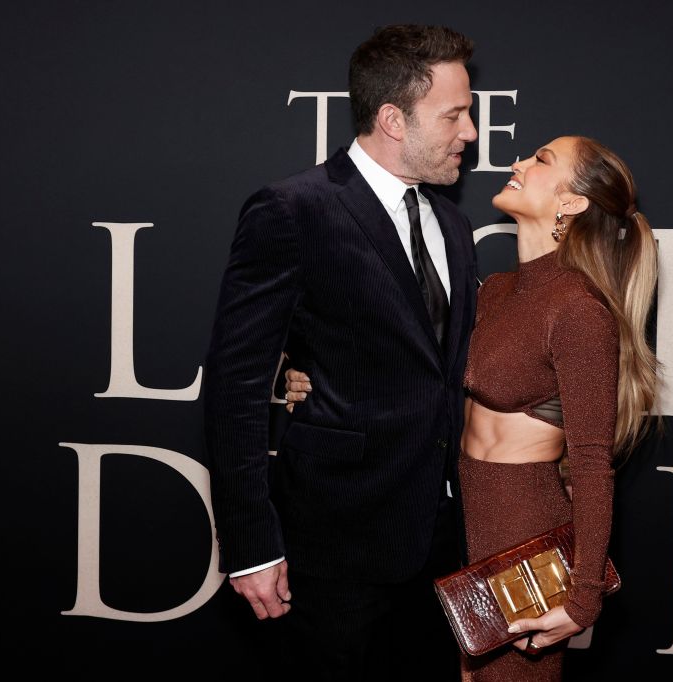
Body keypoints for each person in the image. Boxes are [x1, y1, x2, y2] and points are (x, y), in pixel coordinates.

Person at [287, 135, 661, 681]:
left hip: (520, 530)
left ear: (573, 202)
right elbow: (416, 372)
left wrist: (583, 601)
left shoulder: (579, 310)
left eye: (541, 161)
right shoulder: (497, 290)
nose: (519, 162)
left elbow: (591, 463)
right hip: (451, 527)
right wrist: (313, 375)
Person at [203, 24, 478, 681]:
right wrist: (251, 546)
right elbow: (237, 388)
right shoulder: (294, 211)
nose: (470, 132)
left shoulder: (453, 226)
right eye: (456, 114)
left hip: (443, 547)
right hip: (333, 550)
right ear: (391, 118)